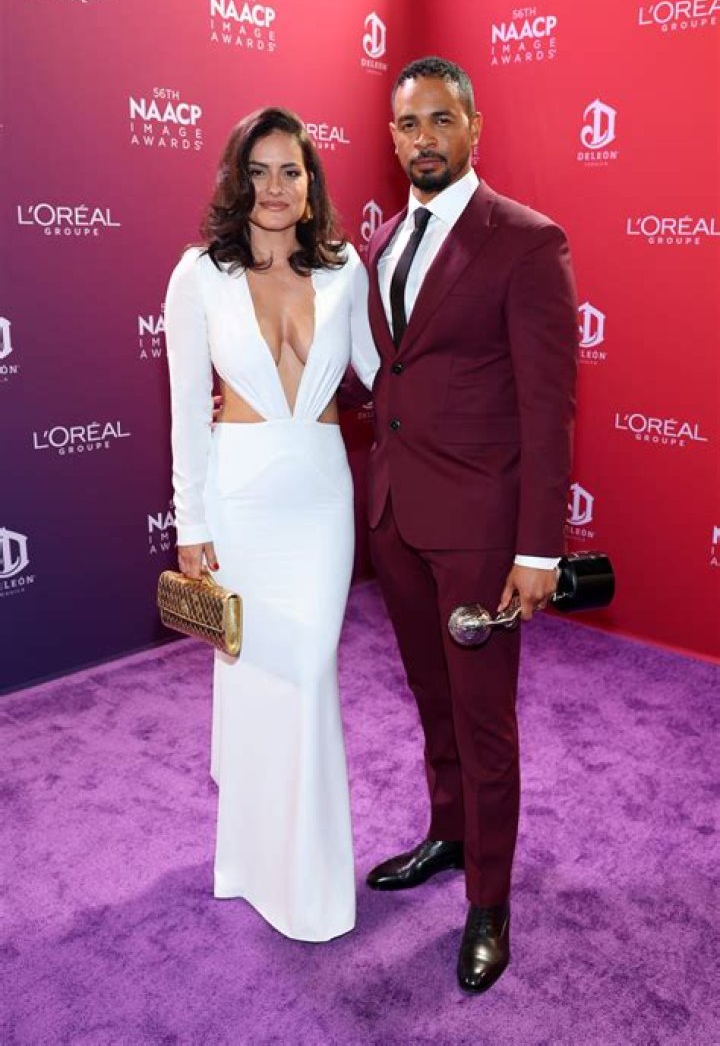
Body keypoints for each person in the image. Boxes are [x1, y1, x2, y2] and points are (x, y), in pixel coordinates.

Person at [363, 57, 578, 992]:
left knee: (485, 720)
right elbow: (393, 374)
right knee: (433, 700)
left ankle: (489, 902)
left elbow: (548, 409)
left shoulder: (526, 240)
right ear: (393, 137)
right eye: (409, 124)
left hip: (484, 531)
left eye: (441, 120)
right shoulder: (382, 241)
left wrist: (538, 550)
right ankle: (449, 835)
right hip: (397, 519)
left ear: (474, 127)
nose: (425, 139)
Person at [163, 108, 378, 943]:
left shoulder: (345, 270)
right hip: (241, 497)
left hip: (321, 497)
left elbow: (381, 373)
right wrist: (191, 521)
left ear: (311, 183)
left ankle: (310, 885)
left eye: (292, 171)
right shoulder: (199, 275)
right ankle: (254, 864)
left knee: (311, 671)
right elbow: (187, 410)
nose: (277, 187)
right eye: (259, 171)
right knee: (255, 675)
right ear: (237, 180)